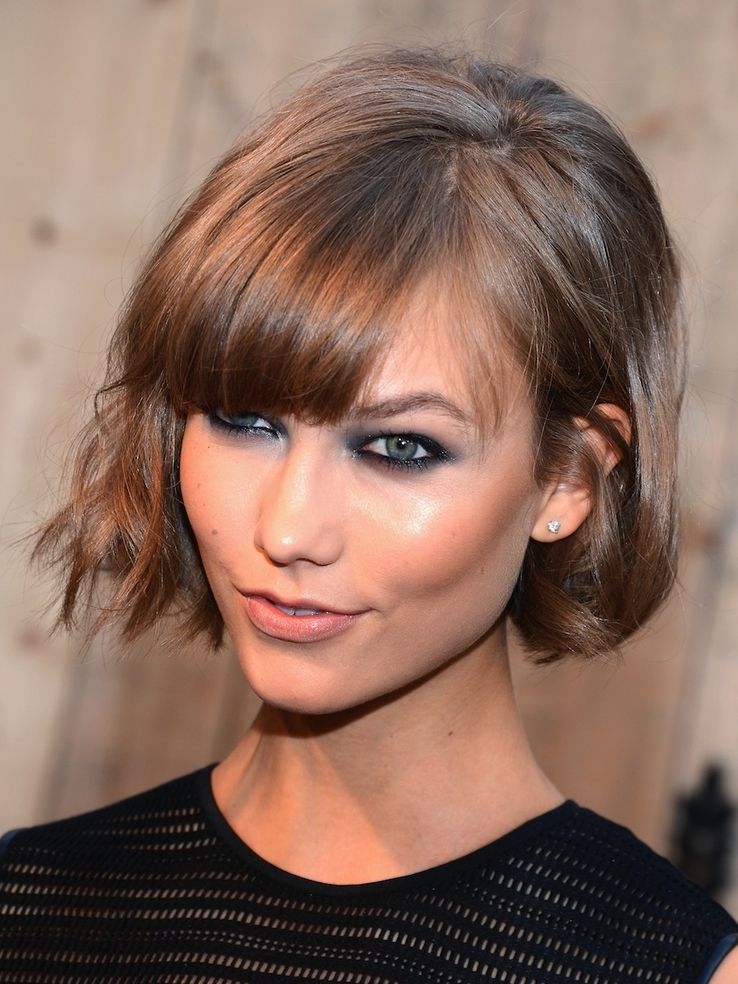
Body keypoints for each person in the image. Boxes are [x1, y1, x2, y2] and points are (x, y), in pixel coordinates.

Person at [1, 46, 736, 982]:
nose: (287, 531)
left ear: (569, 479)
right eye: (245, 420)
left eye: (400, 448)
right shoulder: (27, 909)